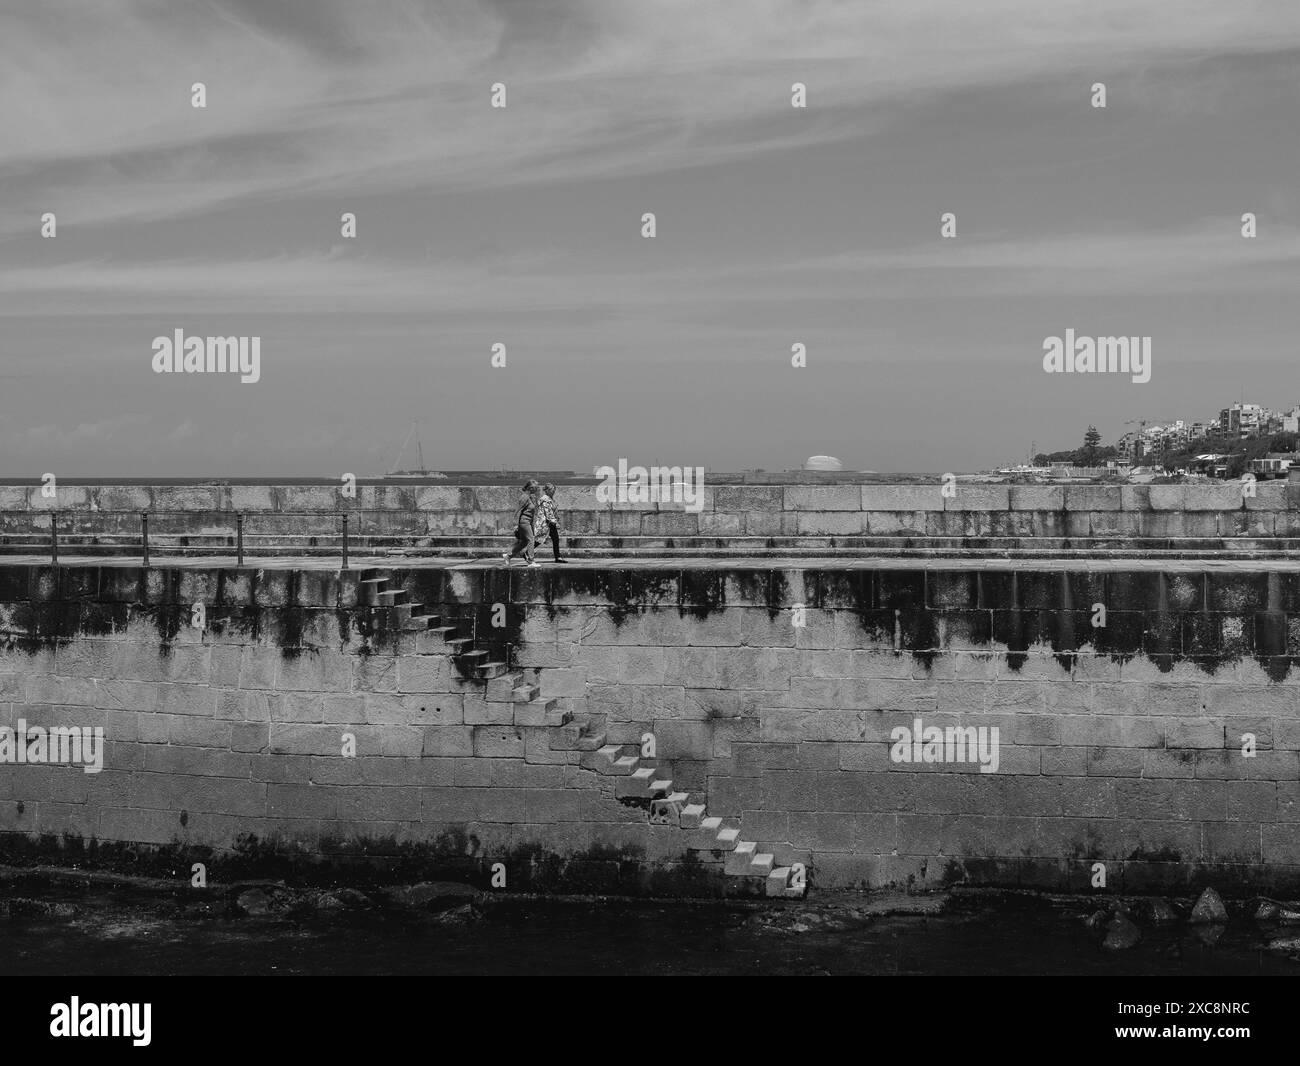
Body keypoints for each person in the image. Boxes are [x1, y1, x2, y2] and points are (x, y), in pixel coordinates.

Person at [503, 481, 541, 567]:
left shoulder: (529, 497)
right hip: (524, 522)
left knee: (524, 542)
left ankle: (508, 556)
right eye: (536, 488)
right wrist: (515, 524)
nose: (537, 489)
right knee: (531, 540)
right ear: (530, 488)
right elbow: (517, 510)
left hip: (528, 522)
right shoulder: (524, 497)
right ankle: (531, 561)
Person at [533, 482, 566, 563]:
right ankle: (527, 552)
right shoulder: (545, 500)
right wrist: (555, 522)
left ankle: (557, 557)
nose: (553, 491)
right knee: (539, 539)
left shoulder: (550, 499)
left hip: (550, 523)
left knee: (555, 539)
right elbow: (548, 513)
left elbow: (553, 511)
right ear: (546, 490)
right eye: (551, 489)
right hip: (546, 523)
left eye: (554, 489)